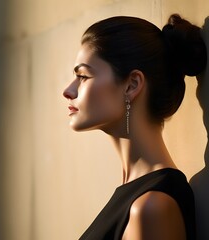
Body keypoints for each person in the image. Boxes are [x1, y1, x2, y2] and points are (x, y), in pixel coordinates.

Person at [63, 14, 207, 240]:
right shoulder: (138, 197)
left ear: (132, 85)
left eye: (83, 75)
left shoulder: (152, 207)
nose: (68, 91)